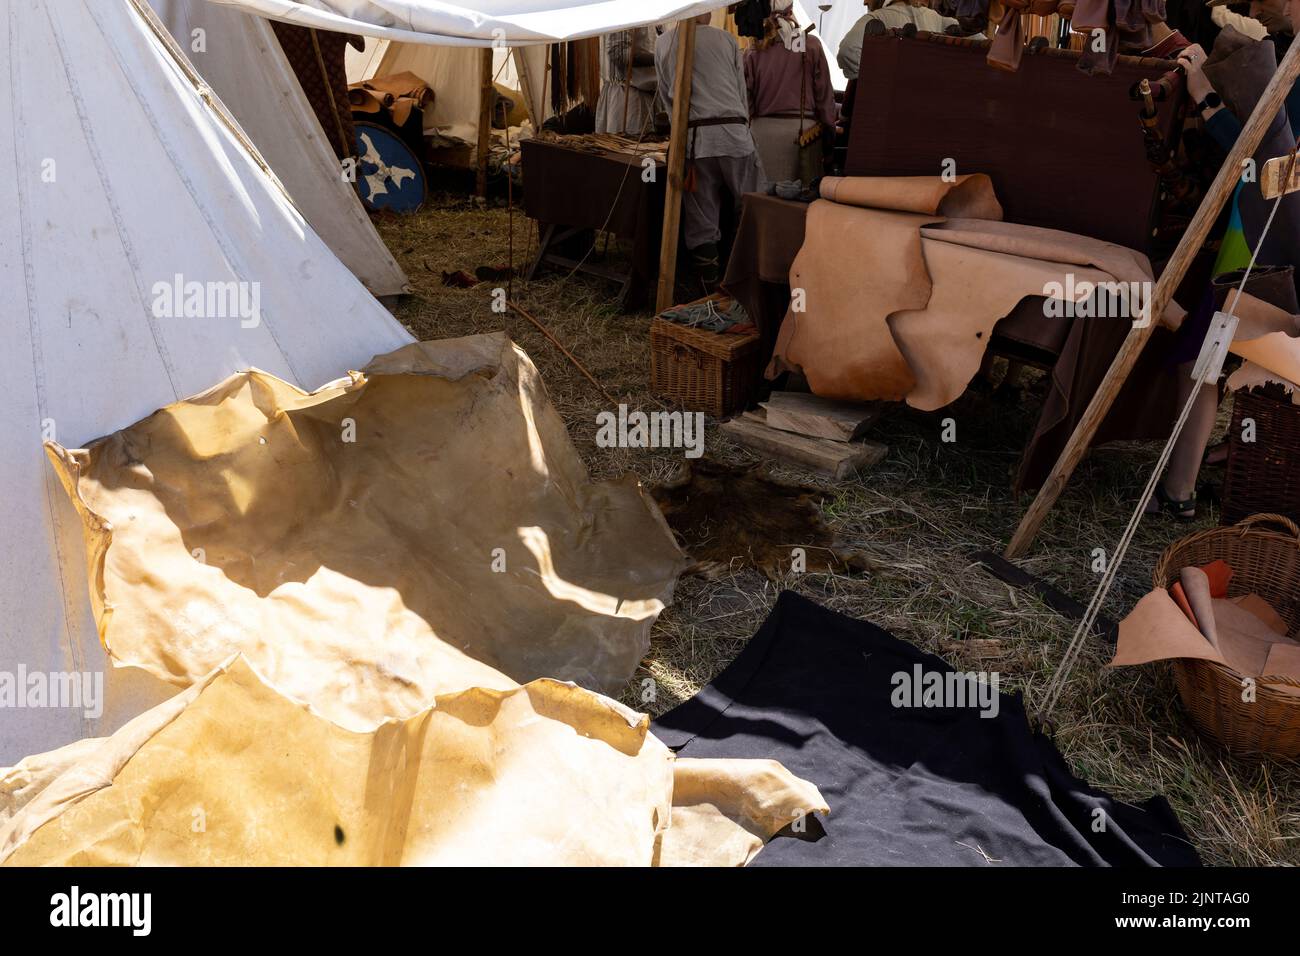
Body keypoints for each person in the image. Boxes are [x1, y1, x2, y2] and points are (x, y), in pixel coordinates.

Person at [1146, 8, 1300, 519]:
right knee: (1207, 355)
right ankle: (1191, 479)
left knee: (1202, 358)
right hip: (1262, 238)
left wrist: (1206, 101)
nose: (1256, 6)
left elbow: (1268, 163)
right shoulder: (1288, 48)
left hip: (1266, 246)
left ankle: (1180, 490)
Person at [656, 15, 765, 291]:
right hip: (732, 136)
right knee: (755, 206)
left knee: (702, 217)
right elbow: (742, 94)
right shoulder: (726, 40)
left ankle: (713, 285)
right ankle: (747, 283)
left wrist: (679, 137)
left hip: (695, 141)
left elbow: (668, 96)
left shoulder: (663, 43)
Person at [744, 1, 838, 184]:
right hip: (803, 136)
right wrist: (829, 136)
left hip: (761, 137)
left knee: (762, 202)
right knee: (799, 205)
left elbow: (746, 101)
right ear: (791, 11)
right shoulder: (810, 45)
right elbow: (825, 98)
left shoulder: (753, 49)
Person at [837, 0, 962, 80]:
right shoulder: (943, 21)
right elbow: (981, 47)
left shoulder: (877, 17)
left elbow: (848, 51)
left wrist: (882, 79)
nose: (864, 2)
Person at [595, 27, 660, 135]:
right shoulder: (626, 13)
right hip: (629, 96)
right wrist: (660, 57)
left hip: (645, 93)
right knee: (629, 143)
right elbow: (619, 53)